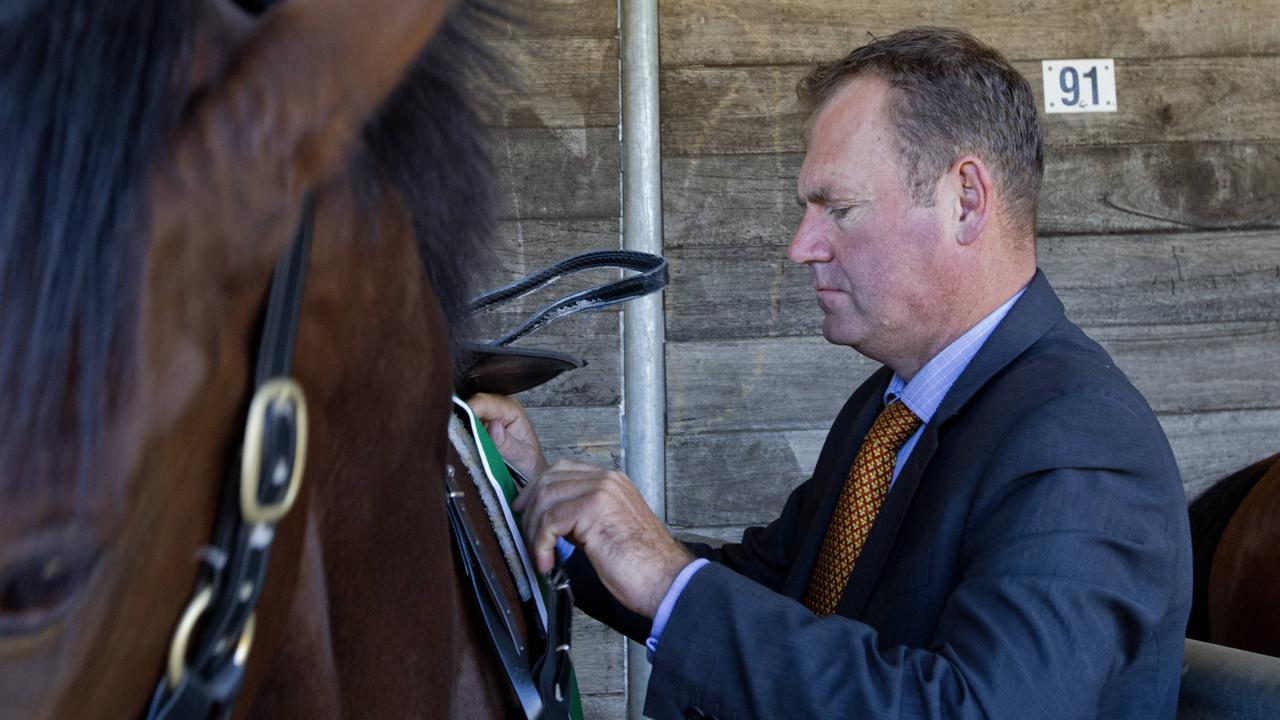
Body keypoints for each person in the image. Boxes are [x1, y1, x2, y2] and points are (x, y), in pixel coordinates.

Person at [471, 26, 1191, 719]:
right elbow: (780, 595)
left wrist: (667, 582)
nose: (801, 246)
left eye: (837, 208)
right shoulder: (888, 408)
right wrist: (546, 506)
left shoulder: (1083, 441)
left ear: (965, 200)